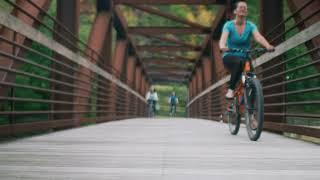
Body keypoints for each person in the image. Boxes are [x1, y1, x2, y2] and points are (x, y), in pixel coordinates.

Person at [219, 1, 274, 99]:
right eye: (240, 7)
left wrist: (268, 45)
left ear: (247, 12)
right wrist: (223, 46)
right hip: (230, 56)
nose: (243, 9)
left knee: (252, 78)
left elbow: (258, 37)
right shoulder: (229, 25)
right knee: (239, 62)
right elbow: (223, 39)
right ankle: (231, 90)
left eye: (245, 8)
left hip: (245, 56)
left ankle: (251, 109)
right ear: (235, 11)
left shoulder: (250, 26)